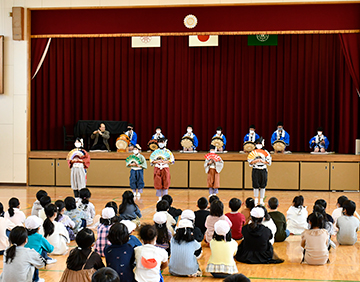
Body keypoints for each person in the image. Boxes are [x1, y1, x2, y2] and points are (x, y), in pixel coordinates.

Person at [25, 215, 55, 281]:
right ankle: (36, 279)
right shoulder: (39, 237)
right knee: (41, 249)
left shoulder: (23, 235)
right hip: (34, 260)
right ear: (38, 228)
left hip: (23, 258)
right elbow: (50, 249)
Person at [248, 137, 271, 206]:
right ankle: (256, 199)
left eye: (260, 143)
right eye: (257, 144)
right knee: (255, 185)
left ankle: (261, 200)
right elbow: (250, 162)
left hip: (263, 169)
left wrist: (262, 161)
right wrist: (255, 161)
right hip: (255, 169)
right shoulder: (253, 152)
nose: (258, 145)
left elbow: (269, 161)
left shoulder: (266, 152)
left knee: (263, 185)